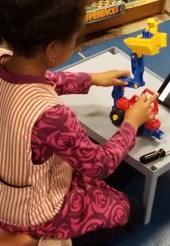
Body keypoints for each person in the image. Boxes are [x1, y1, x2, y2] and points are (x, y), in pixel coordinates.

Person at [0, 0, 156, 245]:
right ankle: (40, 240)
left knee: (118, 170)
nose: (76, 43)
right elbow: (99, 165)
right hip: (31, 212)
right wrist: (132, 123)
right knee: (133, 210)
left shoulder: (5, 58)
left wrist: (92, 79)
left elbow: (42, 78)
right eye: (74, 39)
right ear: (53, 47)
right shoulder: (51, 115)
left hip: (9, 186)